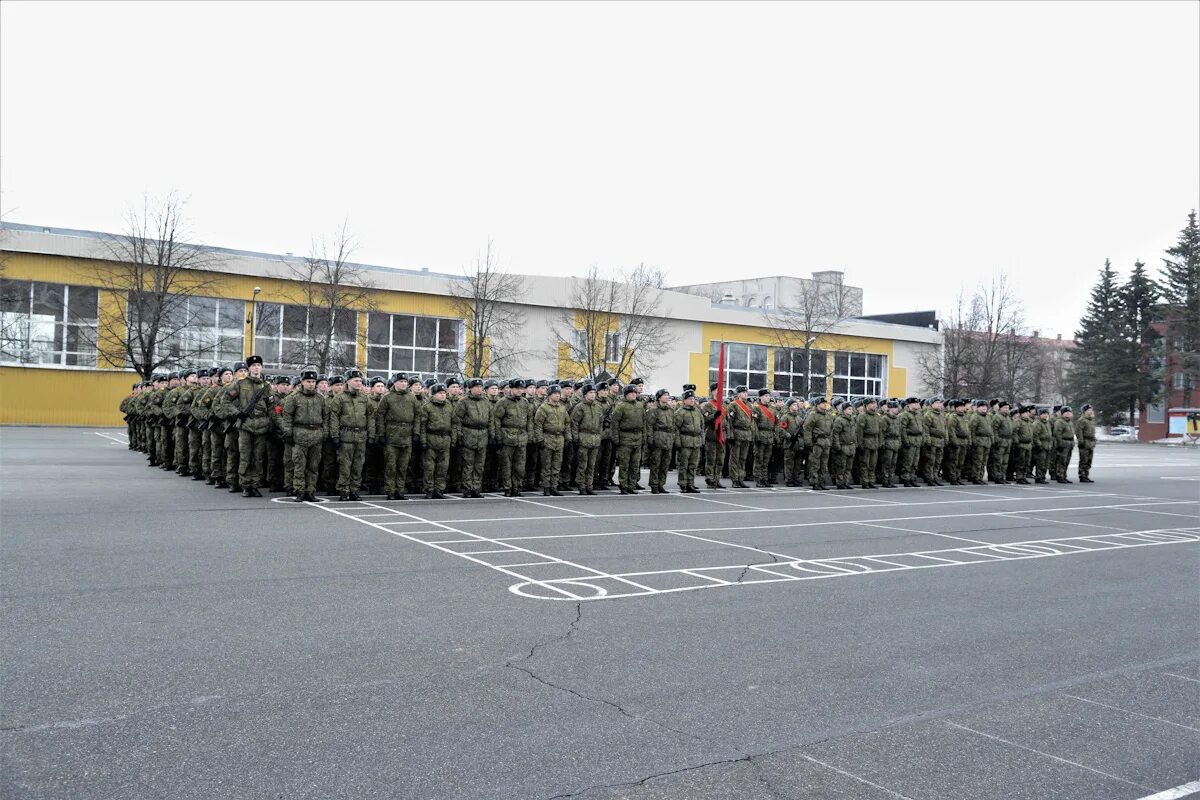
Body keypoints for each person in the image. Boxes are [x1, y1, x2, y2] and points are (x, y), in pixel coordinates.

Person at [218, 355, 272, 497]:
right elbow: (225, 400)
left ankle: (255, 484)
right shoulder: (241, 384)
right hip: (246, 425)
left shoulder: (266, 386)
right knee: (245, 456)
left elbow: (272, 406)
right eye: (253, 366)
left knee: (258, 457)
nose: (256, 368)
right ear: (249, 368)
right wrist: (237, 413)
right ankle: (245, 485)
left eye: (258, 365)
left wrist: (271, 422)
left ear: (261, 367)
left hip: (261, 425)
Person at [328, 369, 376, 501]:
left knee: (358, 465)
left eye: (360, 381)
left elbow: (370, 417)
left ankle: (354, 490)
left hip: (361, 436)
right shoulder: (340, 398)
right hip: (346, 436)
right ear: (348, 382)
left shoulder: (364, 398)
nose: (359, 383)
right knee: (345, 464)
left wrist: (371, 435)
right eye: (356, 381)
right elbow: (334, 418)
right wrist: (335, 435)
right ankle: (343, 490)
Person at [280, 366, 326, 502]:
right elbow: (287, 416)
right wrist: (288, 432)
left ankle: (310, 490)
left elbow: (326, 417)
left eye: (313, 382)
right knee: (299, 465)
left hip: (316, 434)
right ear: (302, 382)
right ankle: (299, 490)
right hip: (299, 434)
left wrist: (325, 433)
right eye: (308, 381)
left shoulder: (320, 398)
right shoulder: (293, 398)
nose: (311, 384)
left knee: (313, 466)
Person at [376, 373, 419, 500]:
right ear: (395, 383)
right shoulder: (388, 397)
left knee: (403, 466)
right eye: (400, 381)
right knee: (391, 465)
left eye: (405, 382)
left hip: (406, 436)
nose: (403, 384)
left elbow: (418, 416)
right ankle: (390, 490)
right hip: (392, 435)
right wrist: (381, 434)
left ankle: (400, 490)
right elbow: (380, 416)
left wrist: (416, 433)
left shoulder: (412, 398)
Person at [493, 378, 532, 497]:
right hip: (507, 437)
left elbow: (529, 419)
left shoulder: (525, 402)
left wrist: (529, 435)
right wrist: (498, 437)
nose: (520, 391)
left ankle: (517, 487)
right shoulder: (503, 402)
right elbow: (496, 420)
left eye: (521, 389)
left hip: (521, 438)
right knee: (506, 465)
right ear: (511, 389)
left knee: (520, 466)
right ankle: (507, 488)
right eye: (517, 388)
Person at [453, 378, 492, 499]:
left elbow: (491, 419)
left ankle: (476, 488)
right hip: (468, 434)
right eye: (476, 387)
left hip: (483, 435)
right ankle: (467, 488)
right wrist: (459, 435)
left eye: (481, 387)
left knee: (479, 465)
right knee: (468, 465)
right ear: (471, 388)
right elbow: (457, 419)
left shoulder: (486, 402)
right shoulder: (464, 402)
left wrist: (492, 435)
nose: (479, 389)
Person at [418, 383, 453, 499]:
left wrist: (453, 439)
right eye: (440, 393)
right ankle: (429, 489)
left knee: (443, 467)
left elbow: (454, 423)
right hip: (431, 438)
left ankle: (439, 489)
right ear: (433, 395)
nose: (443, 396)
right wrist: (423, 441)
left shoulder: (449, 406)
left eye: (444, 393)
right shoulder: (426, 406)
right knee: (429, 467)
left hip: (445, 439)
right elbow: (422, 425)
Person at [609, 384, 646, 494]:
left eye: (635, 393)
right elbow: (614, 423)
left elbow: (644, 423)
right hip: (625, 437)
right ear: (626, 395)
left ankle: (631, 485)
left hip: (637, 437)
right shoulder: (620, 406)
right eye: (631, 393)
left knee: (635, 464)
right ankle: (623, 485)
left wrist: (644, 437)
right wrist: (615, 438)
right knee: (624, 464)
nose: (633, 395)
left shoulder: (640, 406)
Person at [532, 384, 568, 496]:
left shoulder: (562, 408)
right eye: (555, 394)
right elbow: (538, 424)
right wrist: (540, 439)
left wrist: (567, 437)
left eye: (558, 393)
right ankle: (546, 487)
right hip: (547, 438)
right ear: (550, 395)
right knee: (546, 466)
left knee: (557, 465)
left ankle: (554, 486)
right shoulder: (544, 408)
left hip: (559, 439)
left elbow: (567, 423)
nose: (557, 395)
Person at [571, 383, 604, 495]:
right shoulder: (580, 407)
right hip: (583, 438)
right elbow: (574, 423)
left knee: (592, 465)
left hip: (594, 439)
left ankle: (589, 485)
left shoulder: (598, 407)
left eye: (594, 393)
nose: (593, 395)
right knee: (582, 465)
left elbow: (600, 423)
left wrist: (599, 435)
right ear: (585, 394)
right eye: (590, 393)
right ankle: (581, 485)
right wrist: (576, 438)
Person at [724, 386, 756, 489]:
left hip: (746, 435)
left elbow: (752, 422)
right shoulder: (733, 405)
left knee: (743, 459)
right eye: (743, 392)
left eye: (746, 392)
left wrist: (752, 435)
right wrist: (730, 435)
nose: (745, 394)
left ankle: (741, 478)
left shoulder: (749, 405)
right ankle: (735, 479)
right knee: (735, 458)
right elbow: (729, 422)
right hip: (737, 434)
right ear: (738, 394)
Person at [645, 388, 676, 493]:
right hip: (658, 438)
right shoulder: (654, 410)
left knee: (665, 464)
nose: (667, 397)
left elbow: (673, 426)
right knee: (655, 464)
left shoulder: (671, 410)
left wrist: (673, 438)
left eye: (668, 395)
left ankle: (661, 483)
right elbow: (649, 426)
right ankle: (654, 484)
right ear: (659, 398)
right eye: (664, 395)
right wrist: (650, 439)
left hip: (668, 439)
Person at [673, 388, 704, 493]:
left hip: (696, 441)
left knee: (693, 465)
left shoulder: (697, 411)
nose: (692, 400)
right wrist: (677, 442)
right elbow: (676, 428)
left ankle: (691, 483)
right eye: (690, 399)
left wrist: (701, 440)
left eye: (693, 399)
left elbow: (701, 426)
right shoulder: (680, 412)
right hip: (685, 441)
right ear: (684, 400)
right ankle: (683, 484)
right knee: (684, 465)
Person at [803, 396, 834, 490]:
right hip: (816, 442)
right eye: (823, 403)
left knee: (824, 464)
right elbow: (807, 429)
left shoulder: (828, 415)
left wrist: (830, 441)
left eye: (826, 403)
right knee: (815, 464)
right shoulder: (813, 415)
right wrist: (808, 443)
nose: (825, 404)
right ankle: (814, 482)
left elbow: (831, 429)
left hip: (826, 441)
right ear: (817, 405)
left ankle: (822, 482)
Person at [854, 397, 884, 489]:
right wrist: (860, 444)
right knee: (864, 464)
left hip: (874, 442)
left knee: (873, 464)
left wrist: (880, 442)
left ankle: (871, 481)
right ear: (866, 405)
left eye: (875, 403)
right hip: (866, 441)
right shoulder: (862, 416)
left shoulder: (877, 416)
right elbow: (859, 431)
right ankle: (865, 481)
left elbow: (880, 431)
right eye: (872, 403)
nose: (874, 405)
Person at [701, 382, 725, 489]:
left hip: (722, 435)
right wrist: (714, 416)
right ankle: (710, 479)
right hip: (712, 434)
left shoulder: (723, 405)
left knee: (720, 459)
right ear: (713, 392)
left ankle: (717, 479)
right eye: (717, 390)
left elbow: (727, 421)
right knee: (711, 458)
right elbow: (705, 419)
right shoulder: (708, 405)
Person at [752, 389, 778, 487]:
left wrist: (775, 436)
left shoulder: (772, 409)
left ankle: (764, 478)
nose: (768, 398)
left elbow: (776, 423)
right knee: (759, 459)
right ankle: (758, 479)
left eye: (768, 396)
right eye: (766, 396)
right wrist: (756, 437)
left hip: (769, 436)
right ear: (761, 397)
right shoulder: (756, 408)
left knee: (766, 460)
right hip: (760, 435)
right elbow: (754, 424)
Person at [1052, 405, 1076, 483]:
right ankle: (1060, 475)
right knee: (1062, 460)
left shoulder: (1070, 422)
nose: (1068, 414)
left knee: (1067, 461)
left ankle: (1064, 475)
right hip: (1063, 442)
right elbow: (1057, 434)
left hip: (1069, 443)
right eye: (1066, 413)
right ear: (1062, 413)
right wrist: (1060, 444)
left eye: (1069, 412)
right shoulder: (1060, 422)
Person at [1074, 404, 1096, 483]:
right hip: (1085, 441)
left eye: (1091, 410)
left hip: (1091, 442)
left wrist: (1094, 441)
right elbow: (1078, 432)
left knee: (1089, 460)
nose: (1091, 411)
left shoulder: (1091, 420)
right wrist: (1081, 441)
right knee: (1083, 460)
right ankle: (1082, 475)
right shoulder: (1082, 420)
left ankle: (1086, 475)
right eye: (1088, 410)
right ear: (1084, 412)